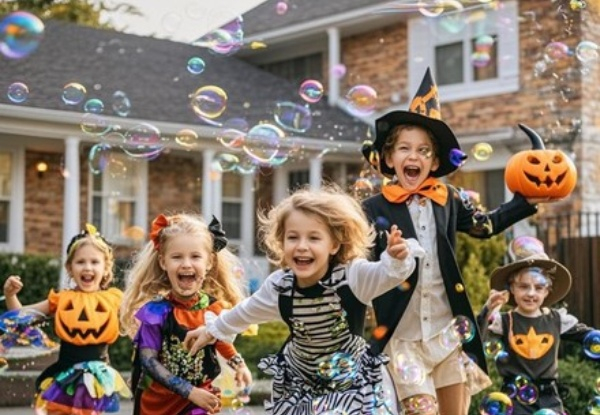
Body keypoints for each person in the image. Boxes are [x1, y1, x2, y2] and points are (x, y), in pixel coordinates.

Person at [361, 68, 545, 415]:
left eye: (424, 150)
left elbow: (485, 225)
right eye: (404, 148)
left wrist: (526, 200)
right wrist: (387, 259)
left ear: (434, 161)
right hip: (402, 337)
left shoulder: (449, 198)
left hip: (448, 333)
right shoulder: (371, 209)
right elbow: (359, 269)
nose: (413, 156)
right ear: (388, 158)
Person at [183, 184, 425, 415]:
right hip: (302, 384)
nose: (301, 246)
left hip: (352, 383)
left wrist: (395, 259)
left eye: (313, 238)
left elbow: (387, 275)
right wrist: (212, 330)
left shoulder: (352, 277)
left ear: (334, 244)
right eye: (293, 237)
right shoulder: (281, 287)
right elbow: (245, 312)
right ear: (282, 242)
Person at [120, 213, 253, 415]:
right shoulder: (156, 313)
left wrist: (240, 365)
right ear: (163, 262)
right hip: (159, 404)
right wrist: (189, 392)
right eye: (177, 257)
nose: (186, 264)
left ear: (209, 263)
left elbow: (220, 339)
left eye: (195, 256)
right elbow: (149, 362)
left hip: (200, 399)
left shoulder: (213, 309)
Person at [2, 224, 131, 415]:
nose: (88, 267)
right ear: (70, 268)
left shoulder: (114, 299)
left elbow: (143, 320)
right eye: (81, 262)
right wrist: (10, 295)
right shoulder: (62, 299)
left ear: (106, 268)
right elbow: (21, 317)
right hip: (64, 378)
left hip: (98, 379)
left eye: (94, 262)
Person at [477, 235, 596, 414]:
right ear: (512, 288)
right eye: (524, 286)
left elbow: (589, 336)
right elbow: (476, 340)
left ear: (547, 291)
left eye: (539, 288)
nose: (531, 293)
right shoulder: (503, 321)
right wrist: (487, 309)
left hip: (549, 398)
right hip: (514, 400)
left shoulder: (558, 320)